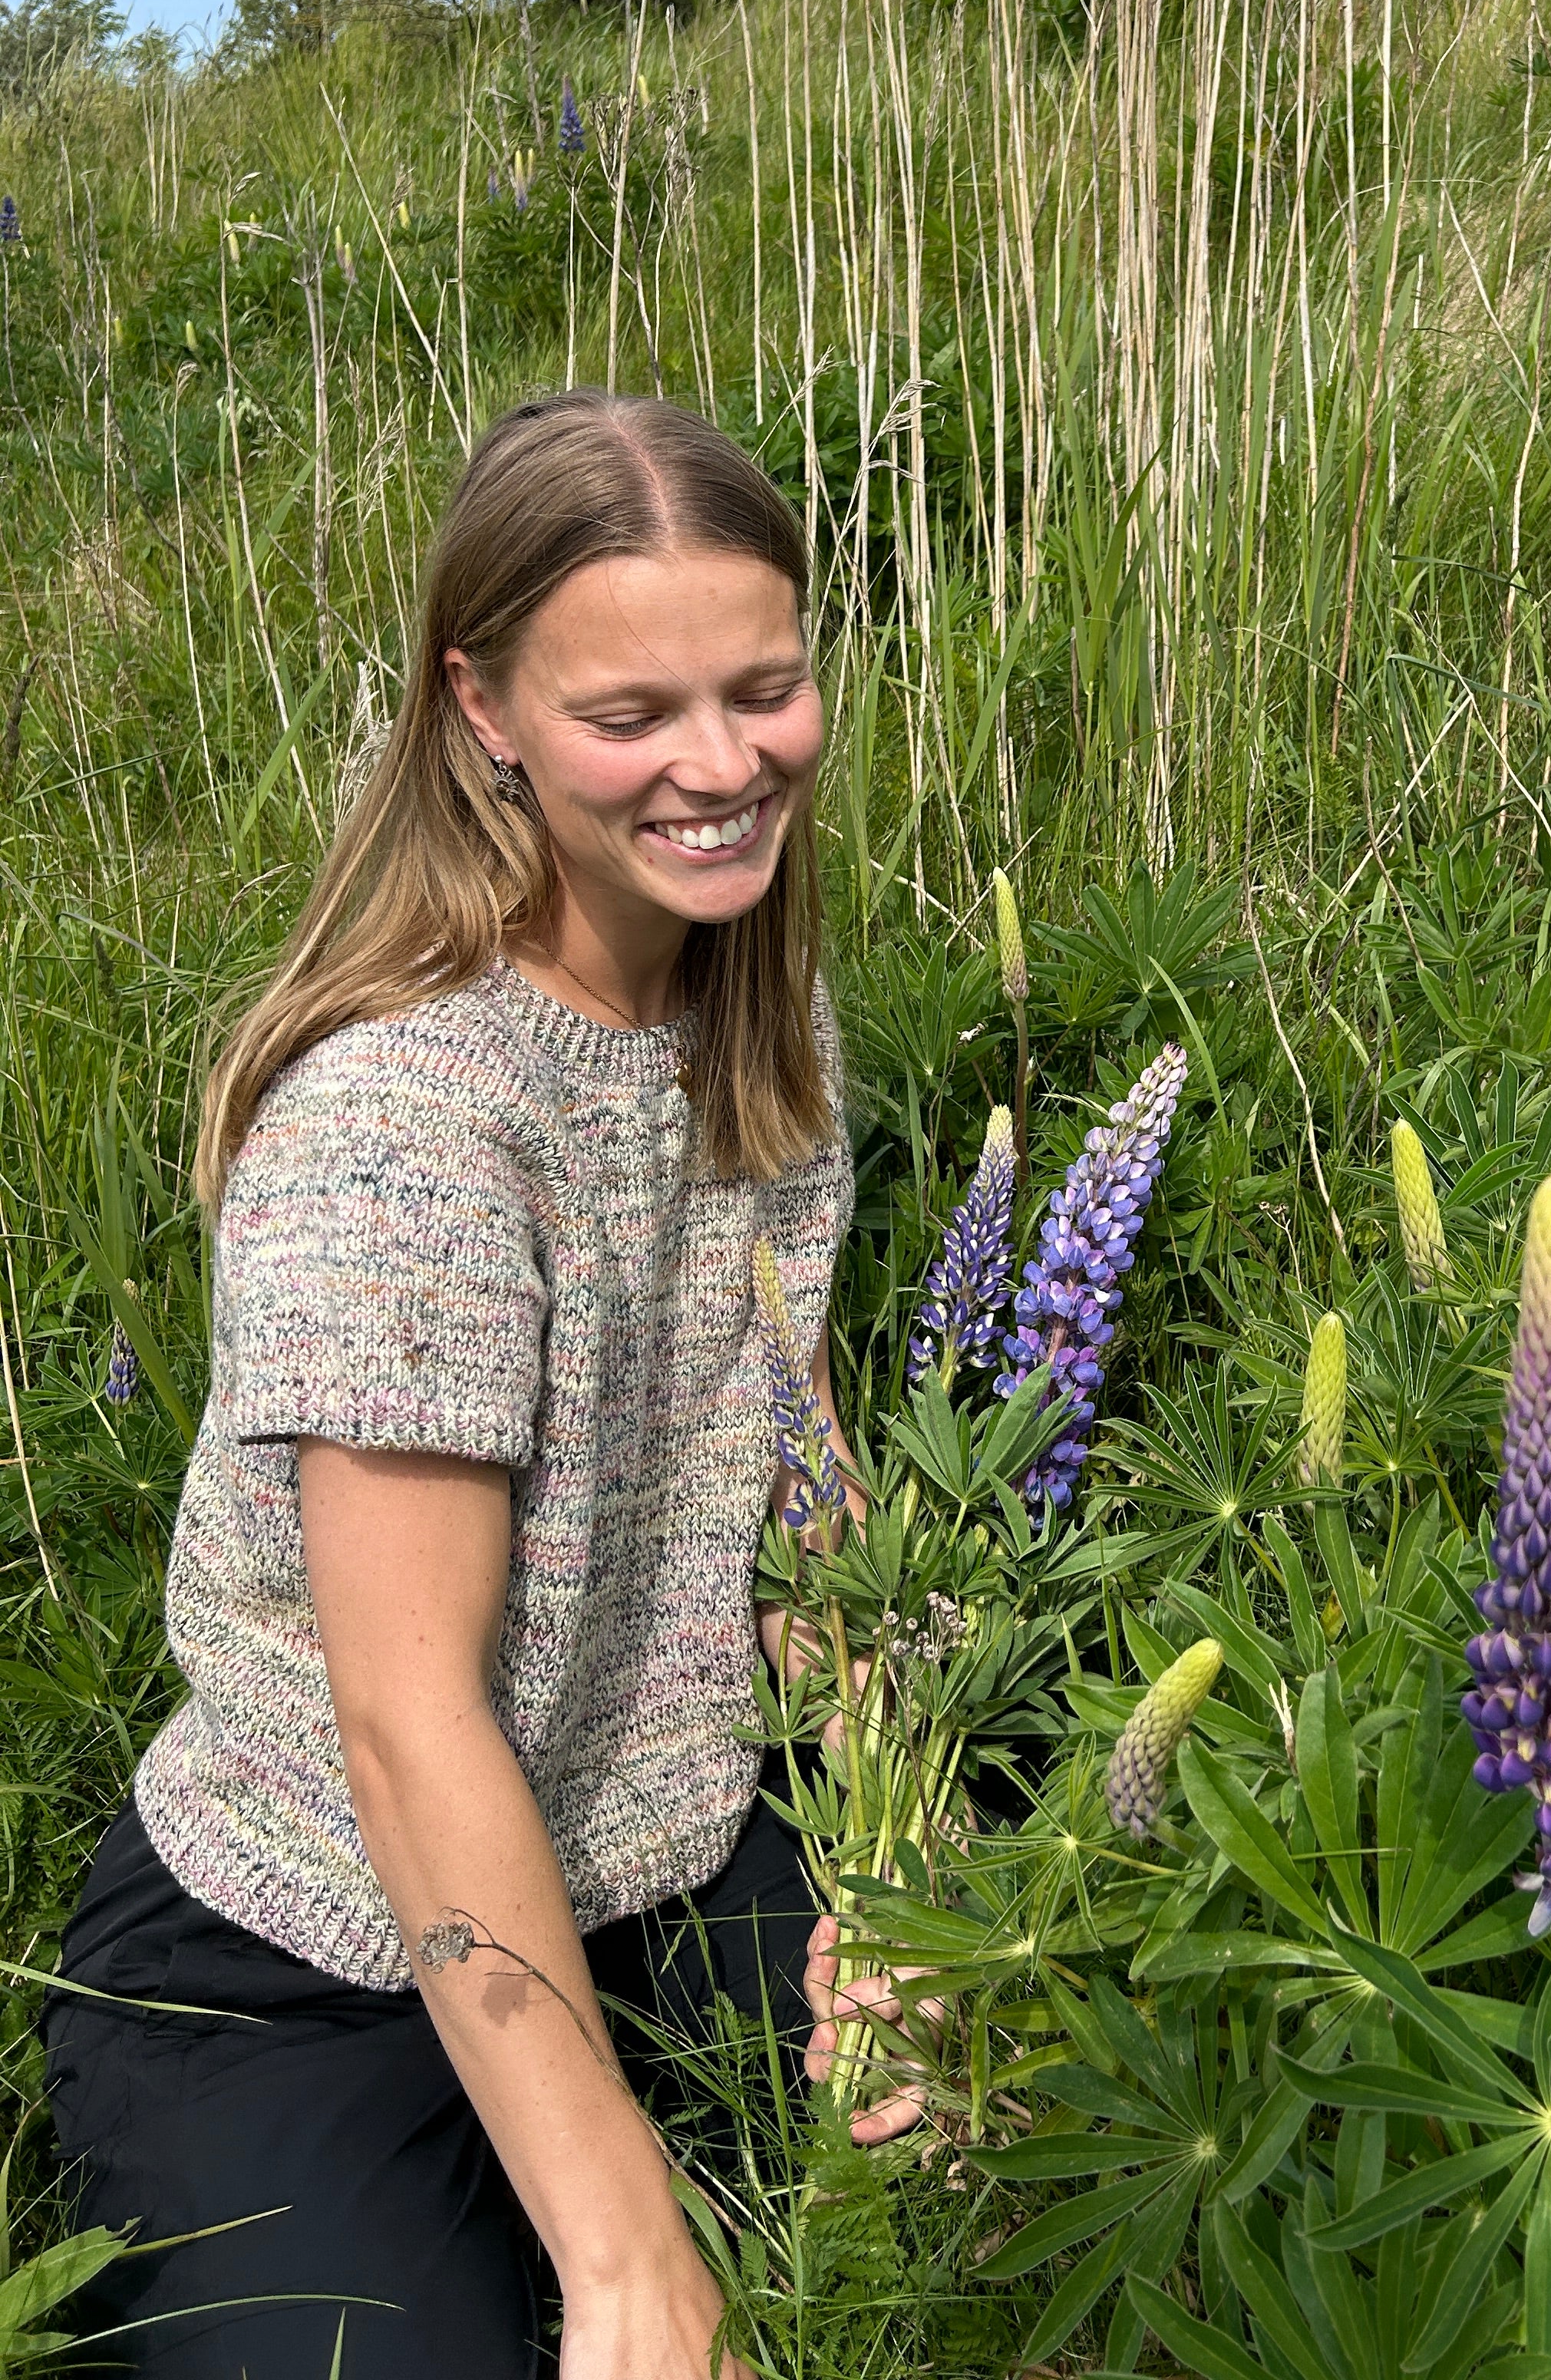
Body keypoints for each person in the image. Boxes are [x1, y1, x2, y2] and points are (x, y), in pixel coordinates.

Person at [44, 391, 920, 2379]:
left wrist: (890, 1883)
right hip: (315, 1941)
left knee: (955, 2192)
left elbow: (804, 1488)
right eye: (634, 715)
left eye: (764, 689)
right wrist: (623, 2249)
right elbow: (405, 1713)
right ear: (486, 710)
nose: (722, 765)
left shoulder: (759, 1030)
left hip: (678, 1851)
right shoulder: (411, 1118)